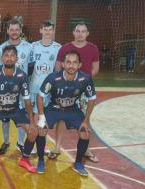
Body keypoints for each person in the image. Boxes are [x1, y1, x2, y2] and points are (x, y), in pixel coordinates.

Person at [37, 50, 97, 176]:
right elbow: (40, 96)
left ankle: (78, 163)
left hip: (72, 109)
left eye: (75, 63)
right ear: (63, 64)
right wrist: (41, 117)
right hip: (54, 108)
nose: (71, 65)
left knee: (85, 133)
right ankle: (41, 161)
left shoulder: (85, 79)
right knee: (41, 129)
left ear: (79, 65)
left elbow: (92, 99)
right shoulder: (53, 78)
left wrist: (86, 121)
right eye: (68, 62)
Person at [0, 45, 37, 173]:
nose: (9, 58)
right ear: (1, 58)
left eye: (12, 56)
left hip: (15, 110)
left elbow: (27, 100)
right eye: (6, 55)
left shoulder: (22, 76)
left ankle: (25, 159)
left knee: (33, 131)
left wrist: (32, 121)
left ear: (16, 59)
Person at [53, 22, 100, 163]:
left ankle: (86, 150)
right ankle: (57, 147)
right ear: (73, 32)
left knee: (85, 119)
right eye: (78, 31)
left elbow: (95, 69)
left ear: (87, 33)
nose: (80, 33)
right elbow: (57, 67)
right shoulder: (65, 48)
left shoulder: (93, 48)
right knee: (61, 118)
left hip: (84, 89)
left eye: (83, 31)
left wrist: (82, 82)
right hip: (65, 89)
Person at [0, 19, 33, 155]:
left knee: (22, 115)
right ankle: (6, 142)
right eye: (11, 29)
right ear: (7, 31)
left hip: (21, 88)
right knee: (5, 116)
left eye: (17, 29)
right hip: (5, 89)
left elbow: (31, 68)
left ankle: (20, 143)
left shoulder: (29, 47)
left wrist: (22, 83)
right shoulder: (0, 49)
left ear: (20, 30)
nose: (14, 32)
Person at [29, 20, 61, 173]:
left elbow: (58, 69)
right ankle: (35, 144)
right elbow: (28, 67)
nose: (47, 32)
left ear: (53, 31)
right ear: (40, 30)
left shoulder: (58, 48)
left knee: (45, 119)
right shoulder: (33, 46)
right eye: (45, 29)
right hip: (34, 88)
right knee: (34, 117)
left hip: (48, 90)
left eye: (50, 29)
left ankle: (44, 144)